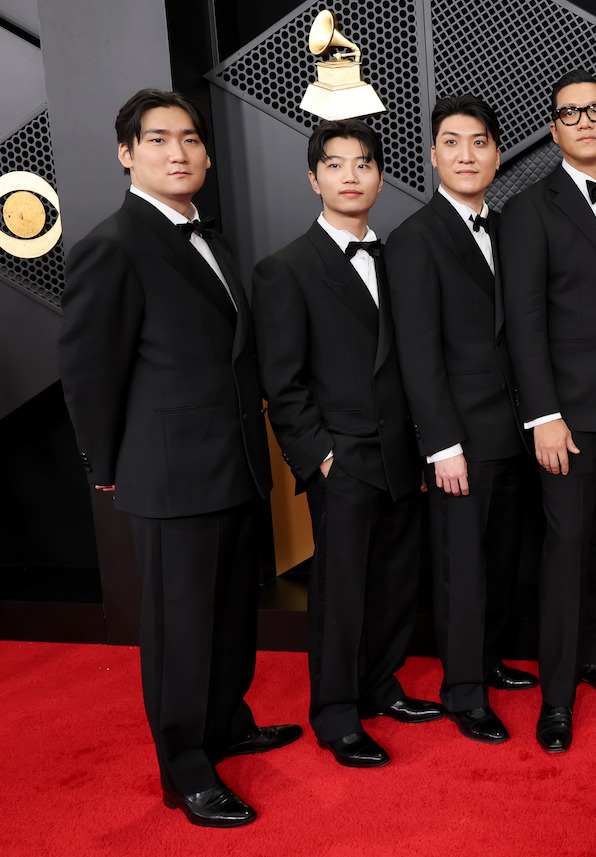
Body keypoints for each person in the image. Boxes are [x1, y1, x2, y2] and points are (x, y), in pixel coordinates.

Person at [58, 89, 299, 827]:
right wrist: (106, 459)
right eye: (159, 139)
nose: (178, 152)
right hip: (168, 471)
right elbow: (90, 367)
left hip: (232, 463)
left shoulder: (211, 238)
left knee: (230, 614)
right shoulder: (114, 243)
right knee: (181, 627)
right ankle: (185, 768)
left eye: (190, 139)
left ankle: (226, 722)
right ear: (128, 153)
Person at [251, 119, 443, 770]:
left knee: (394, 581)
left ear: (381, 176)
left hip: (402, 453)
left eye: (364, 164)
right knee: (341, 593)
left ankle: (381, 686)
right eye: (336, 166)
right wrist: (321, 457)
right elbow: (283, 379)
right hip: (343, 458)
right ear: (314, 178)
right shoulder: (285, 269)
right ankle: (336, 714)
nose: (352, 176)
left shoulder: (400, 259)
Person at [499, 69, 596, 753]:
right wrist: (543, 416)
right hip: (569, 418)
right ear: (555, 130)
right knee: (564, 553)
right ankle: (556, 697)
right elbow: (523, 323)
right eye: (570, 113)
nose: (586, 121)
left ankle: (594, 656)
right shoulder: (530, 209)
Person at [388, 94, 536, 745]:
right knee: (463, 568)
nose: (467, 154)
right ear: (433, 154)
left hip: (514, 431)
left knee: (502, 558)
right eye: (453, 142)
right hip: (460, 440)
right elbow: (417, 355)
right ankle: (463, 691)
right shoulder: (414, 238)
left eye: (479, 141)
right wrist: (440, 444)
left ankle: (489, 658)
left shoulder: (510, 228)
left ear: (498, 152)